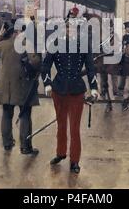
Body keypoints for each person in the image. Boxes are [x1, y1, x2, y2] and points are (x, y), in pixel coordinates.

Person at [42, 19, 99, 174]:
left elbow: (91, 69)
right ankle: (60, 153)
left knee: (74, 128)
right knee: (61, 125)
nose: (70, 30)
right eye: (67, 27)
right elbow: (45, 66)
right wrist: (47, 84)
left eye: (73, 28)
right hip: (58, 89)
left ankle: (75, 160)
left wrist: (94, 88)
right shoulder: (55, 43)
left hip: (76, 91)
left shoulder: (84, 45)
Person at [0, 20, 42, 155]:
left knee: (6, 114)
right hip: (23, 86)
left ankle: (7, 144)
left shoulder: (3, 44)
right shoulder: (26, 45)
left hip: (6, 86)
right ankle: (25, 147)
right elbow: (36, 62)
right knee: (25, 116)